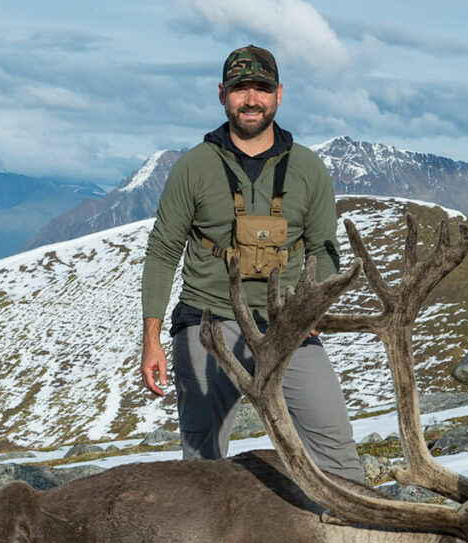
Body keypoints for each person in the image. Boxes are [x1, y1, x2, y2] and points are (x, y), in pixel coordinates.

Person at [139, 45, 364, 482]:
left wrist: (313, 307)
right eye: (241, 88)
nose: (251, 99)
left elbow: (323, 248)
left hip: (288, 325)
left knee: (337, 451)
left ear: (278, 94)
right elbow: (163, 249)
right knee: (203, 465)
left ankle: (360, 536)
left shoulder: (309, 169)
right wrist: (152, 338)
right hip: (208, 322)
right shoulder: (194, 167)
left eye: (261, 88)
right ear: (222, 94)